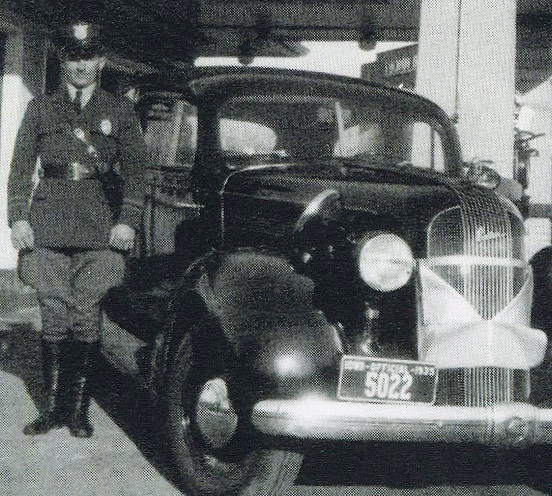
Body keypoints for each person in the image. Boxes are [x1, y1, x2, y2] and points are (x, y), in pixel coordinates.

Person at [7, 21, 148, 438]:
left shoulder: (118, 109)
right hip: (48, 222)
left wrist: (127, 220)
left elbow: (137, 172)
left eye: (88, 57)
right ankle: (51, 410)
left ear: (101, 61)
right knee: (52, 313)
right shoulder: (41, 107)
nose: (81, 65)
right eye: (73, 58)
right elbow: (19, 170)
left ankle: (77, 410)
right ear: (63, 61)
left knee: (86, 315)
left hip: (100, 225)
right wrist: (17, 218)